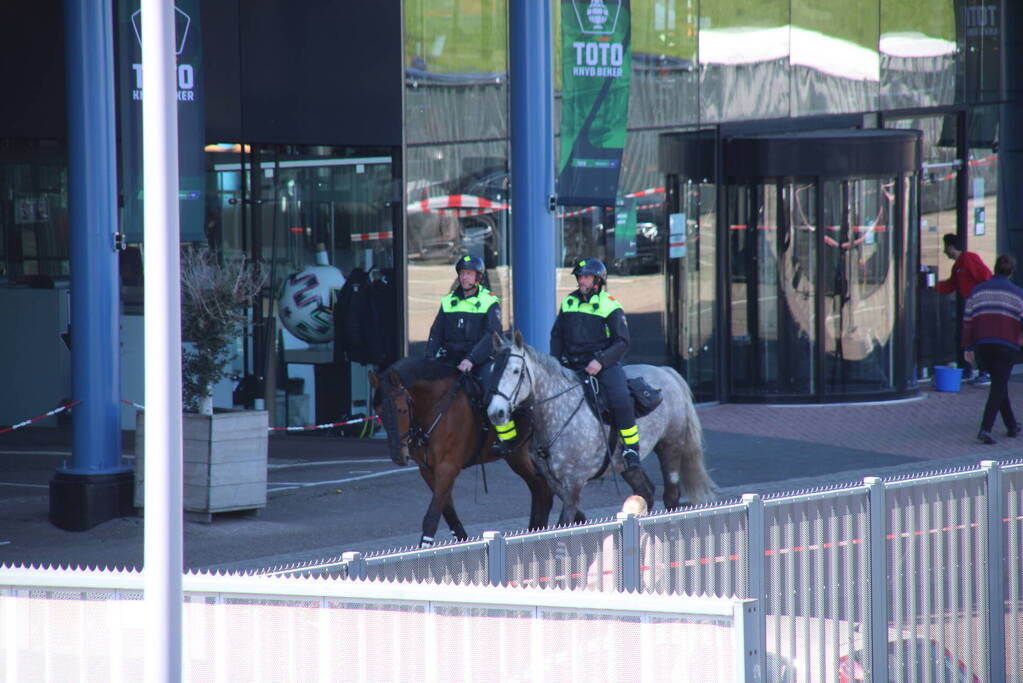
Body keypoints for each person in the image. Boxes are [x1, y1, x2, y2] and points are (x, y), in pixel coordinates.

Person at [550, 258, 641, 472]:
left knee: (621, 400)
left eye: (586, 277)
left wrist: (600, 361)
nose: (582, 280)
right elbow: (557, 336)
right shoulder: (568, 302)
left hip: (603, 364)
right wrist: (556, 361)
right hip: (572, 364)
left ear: (598, 280)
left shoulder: (610, 305)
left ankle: (631, 448)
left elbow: (622, 342)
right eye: (580, 277)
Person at [424, 254, 519, 455]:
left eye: (469, 274)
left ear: (478, 278)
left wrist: (471, 359)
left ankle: (505, 438)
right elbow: (436, 332)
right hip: (451, 359)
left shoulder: (489, 301)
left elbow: (492, 335)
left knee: (492, 394)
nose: (464, 277)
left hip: (480, 360)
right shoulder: (448, 301)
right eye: (462, 273)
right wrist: (429, 359)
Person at [962, 254, 1023, 445]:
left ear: (994, 268)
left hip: (983, 345)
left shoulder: (977, 291)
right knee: (998, 386)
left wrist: (967, 346)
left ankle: (1012, 426)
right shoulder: (1017, 294)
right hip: (1006, 345)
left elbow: (967, 321)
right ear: (1012, 271)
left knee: (999, 382)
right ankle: (985, 428)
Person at [937, 234, 992, 385]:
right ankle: (968, 370)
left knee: (977, 338)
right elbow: (951, 285)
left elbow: (986, 276)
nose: (944, 252)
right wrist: (932, 285)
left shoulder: (968, 259)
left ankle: (984, 372)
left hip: (976, 306)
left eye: (945, 248)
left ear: (950, 247)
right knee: (966, 338)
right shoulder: (958, 265)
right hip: (968, 306)